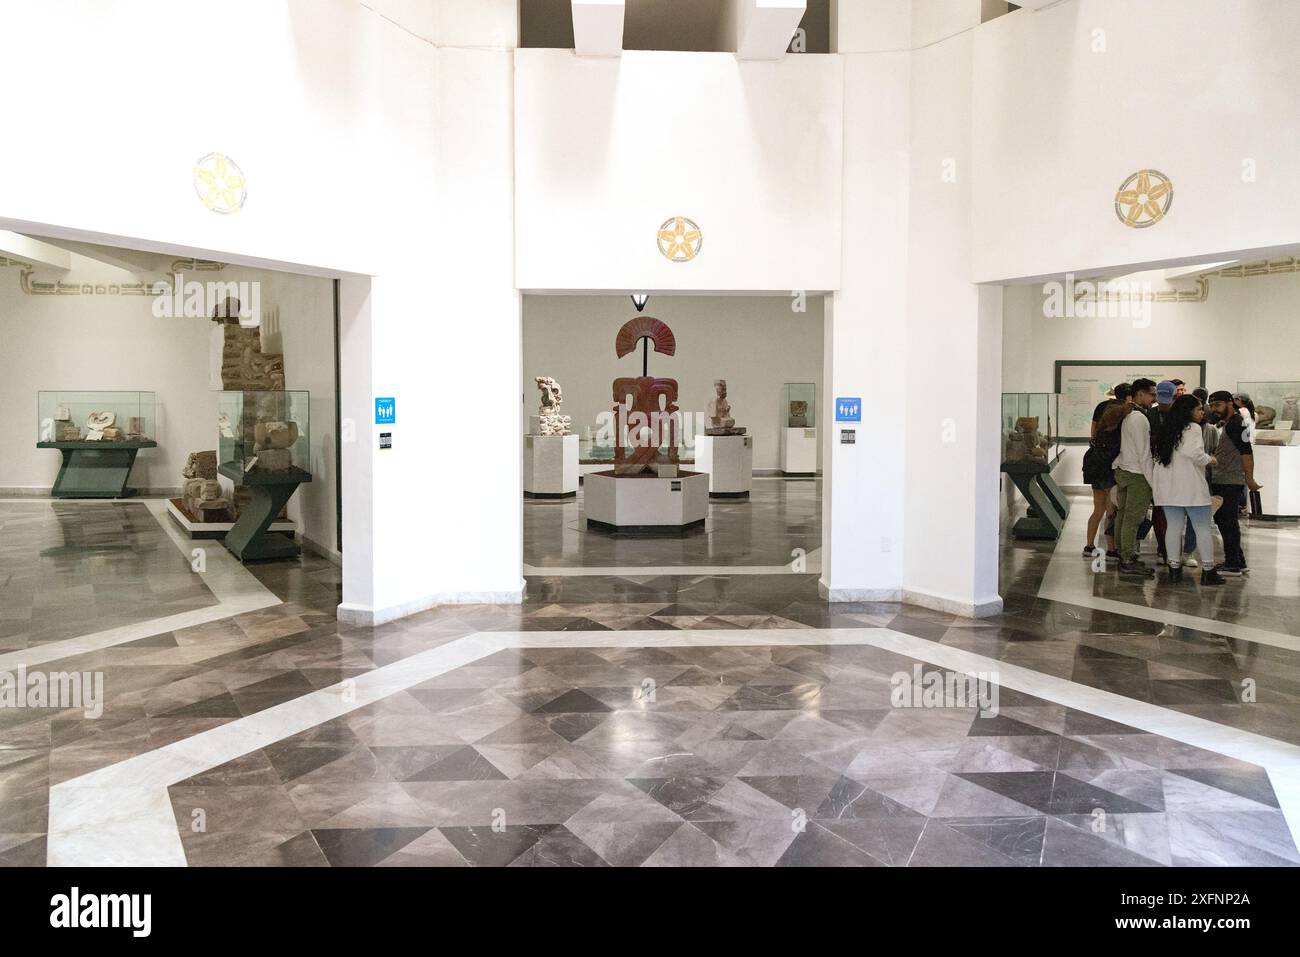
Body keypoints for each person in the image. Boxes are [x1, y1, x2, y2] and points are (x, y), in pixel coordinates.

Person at [1151, 395, 1223, 585]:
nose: (1202, 412)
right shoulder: (1193, 428)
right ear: (1188, 411)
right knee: (1202, 529)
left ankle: (1174, 569)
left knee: (1173, 528)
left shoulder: (1166, 429)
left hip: (1168, 489)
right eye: (1199, 409)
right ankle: (1208, 570)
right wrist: (1211, 459)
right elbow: (1196, 454)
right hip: (1191, 488)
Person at [1207, 390, 1259, 574]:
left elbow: (1246, 452)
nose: (1215, 409)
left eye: (1218, 405)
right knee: (1224, 520)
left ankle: (1233, 563)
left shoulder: (1236, 423)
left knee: (1227, 521)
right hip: (1224, 478)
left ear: (1230, 403)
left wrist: (1250, 478)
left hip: (1229, 480)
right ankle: (1237, 560)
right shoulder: (1230, 422)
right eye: (1212, 406)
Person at [1149, 380, 1199, 566]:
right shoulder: (1150, 415)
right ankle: (1165, 550)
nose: (1163, 404)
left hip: (1182, 472)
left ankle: (1186, 551)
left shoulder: (1182, 419)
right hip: (1162, 470)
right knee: (1162, 513)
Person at [1113, 378, 1159, 578]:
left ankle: (1123, 555)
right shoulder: (1139, 418)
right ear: (1140, 394)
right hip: (1137, 474)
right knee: (1132, 519)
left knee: (1123, 516)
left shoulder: (1129, 415)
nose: (1154, 399)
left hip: (1124, 470)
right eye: (1152, 394)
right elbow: (1144, 453)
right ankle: (1128, 558)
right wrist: (1152, 482)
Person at [1083, 400, 1126, 559]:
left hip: (1096, 472)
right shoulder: (1116, 437)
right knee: (1110, 512)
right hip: (1109, 475)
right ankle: (1111, 548)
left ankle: (1089, 545)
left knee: (1097, 510)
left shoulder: (1099, 433)